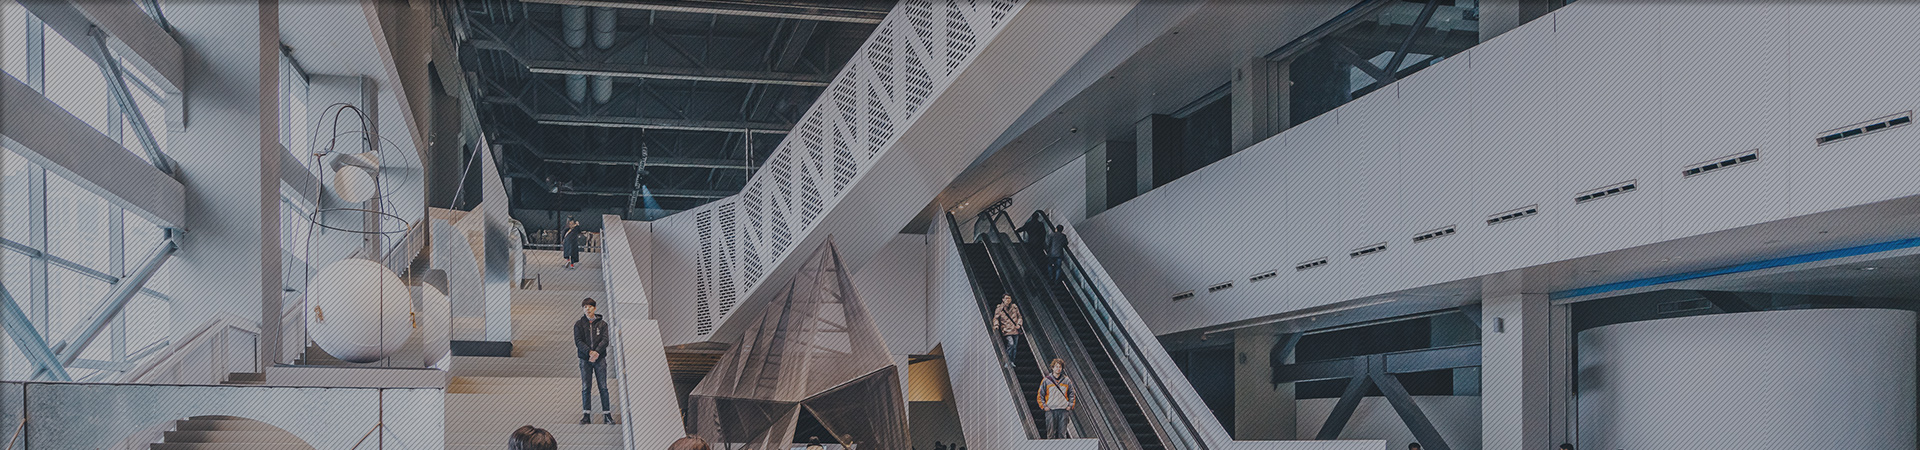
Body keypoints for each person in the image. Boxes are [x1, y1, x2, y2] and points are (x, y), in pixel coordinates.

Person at [575, 297, 614, 424]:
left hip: (600, 359)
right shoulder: (579, 324)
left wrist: (596, 352)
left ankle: (607, 415)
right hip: (585, 359)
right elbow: (578, 341)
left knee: (603, 386)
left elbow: (605, 340)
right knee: (586, 387)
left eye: (590, 306)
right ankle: (586, 415)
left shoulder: (603, 324)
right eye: (585, 307)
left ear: (595, 308)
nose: (588, 309)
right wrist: (589, 352)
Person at [1036, 358, 1075, 439]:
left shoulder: (1067, 380)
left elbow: (1072, 393)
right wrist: (1044, 406)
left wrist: (1070, 405)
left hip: (1063, 410)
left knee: (1062, 434)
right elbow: (1040, 395)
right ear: (1052, 368)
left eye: (1060, 367)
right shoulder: (1046, 380)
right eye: (1056, 366)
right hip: (1051, 410)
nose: (1058, 368)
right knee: (1050, 433)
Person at [990, 294, 1024, 366]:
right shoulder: (999, 308)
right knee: (1011, 344)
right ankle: (1006, 361)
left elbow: (1020, 317)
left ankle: (1012, 361)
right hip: (1006, 330)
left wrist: (1019, 324)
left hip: (1015, 330)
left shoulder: (1014, 307)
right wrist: (996, 325)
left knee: (1014, 347)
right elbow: (996, 318)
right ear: (1003, 299)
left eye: (1009, 298)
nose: (1008, 300)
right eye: (1006, 298)